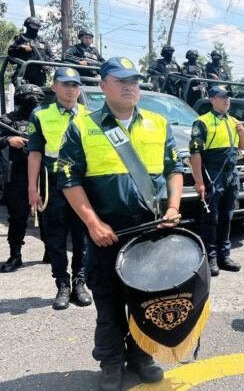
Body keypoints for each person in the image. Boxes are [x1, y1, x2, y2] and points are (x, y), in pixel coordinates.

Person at [57, 57, 183, 390]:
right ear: (103, 85)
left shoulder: (158, 123)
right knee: (109, 302)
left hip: (151, 233)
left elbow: (174, 169)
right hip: (106, 234)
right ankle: (111, 362)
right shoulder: (83, 126)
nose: (130, 86)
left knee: (147, 300)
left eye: (134, 80)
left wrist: (172, 206)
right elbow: (69, 180)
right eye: (121, 80)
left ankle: (142, 356)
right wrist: (93, 224)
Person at [27, 67, 92, 310]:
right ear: (54, 87)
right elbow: (34, 153)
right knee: (55, 238)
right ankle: (62, 284)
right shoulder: (40, 114)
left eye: (75, 85)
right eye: (65, 84)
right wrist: (32, 189)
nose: (71, 89)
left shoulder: (89, 115)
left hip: (81, 184)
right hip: (53, 185)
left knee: (81, 236)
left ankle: (79, 282)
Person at [189, 85, 244, 277]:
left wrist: (241, 133)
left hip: (231, 175)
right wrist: (199, 182)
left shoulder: (233, 121)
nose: (226, 100)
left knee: (227, 217)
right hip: (213, 174)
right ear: (212, 99)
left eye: (228, 97)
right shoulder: (202, 122)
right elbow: (195, 154)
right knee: (211, 218)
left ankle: (224, 255)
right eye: (222, 97)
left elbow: (243, 147)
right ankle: (210, 257)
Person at [0, 84, 47, 273]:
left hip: (44, 174)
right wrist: (8, 140)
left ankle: (51, 250)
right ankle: (15, 255)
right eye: (29, 99)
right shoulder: (8, 120)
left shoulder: (45, 118)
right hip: (19, 174)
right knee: (18, 217)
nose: (34, 103)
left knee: (48, 215)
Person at [7, 17, 54, 86]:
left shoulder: (43, 41)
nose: (34, 29)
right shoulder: (20, 38)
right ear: (27, 26)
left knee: (39, 94)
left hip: (39, 76)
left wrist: (48, 65)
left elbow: (52, 56)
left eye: (36, 27)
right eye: (32, 27)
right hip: (24, 74)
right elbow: (10, 52)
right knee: (23, 94)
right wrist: (21, 48)